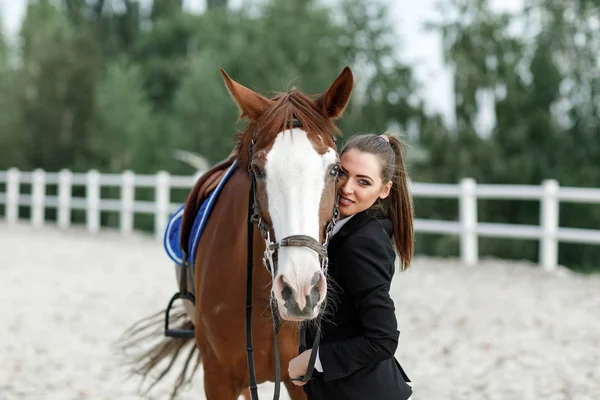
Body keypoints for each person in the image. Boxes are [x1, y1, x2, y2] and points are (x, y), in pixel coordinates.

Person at [287, 133, 414, 400]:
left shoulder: (363, 243)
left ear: (384, 190)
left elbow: (383, 339)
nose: (347, 188)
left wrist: (315, 360)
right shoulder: (332, 228)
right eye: (342, 174)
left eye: (363, 182)